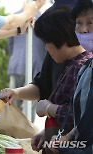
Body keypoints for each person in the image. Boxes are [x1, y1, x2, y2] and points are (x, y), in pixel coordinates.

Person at [0, 5, 93, 154]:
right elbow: (41, 84)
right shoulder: (68, 63)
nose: (46, 49)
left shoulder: (82, 68)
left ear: (59, 39)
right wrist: (47, 134)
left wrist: (49, 109)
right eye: (79, 23)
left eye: (90, 23)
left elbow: (80, 116)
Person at [49, 0, 93, 153]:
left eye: (91, 22)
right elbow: (84, 120)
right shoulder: (86, 68)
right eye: (79, 23)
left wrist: (67, 149)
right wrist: (67, 138)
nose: (84, 29)